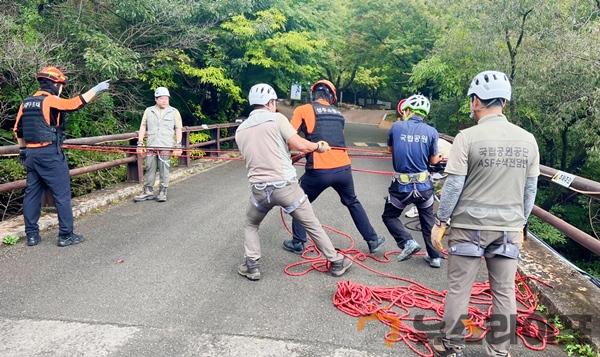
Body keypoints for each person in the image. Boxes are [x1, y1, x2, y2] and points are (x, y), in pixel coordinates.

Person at [431, 70, 539, 357]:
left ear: (477, 101)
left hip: (468, 226)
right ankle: (500, 351)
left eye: (472, 100)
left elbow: (453, 185)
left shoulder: (467, 137)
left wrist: (441, 221)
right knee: (504, 291)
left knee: (459, 289)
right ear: (504, 101)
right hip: (507, 230)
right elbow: (530, 191)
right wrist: (521, 223)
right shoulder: (528, 140)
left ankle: (451, 345)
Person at [235, 83, 353, 281]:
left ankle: (252, 265)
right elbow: (297, 143)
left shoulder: (240, 130)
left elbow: (258, 156)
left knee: (251, 224)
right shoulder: (277, 118)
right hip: (285, 187)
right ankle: (336, 261)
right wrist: (317, 146)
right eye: (275, 102)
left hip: (259, 192)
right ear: (270, 102)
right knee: (312, 224)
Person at [282, 79, 386, 255]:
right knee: (352, 201)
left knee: (298, 202)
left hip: (319, 170)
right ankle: (373, 240)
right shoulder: (339, 114)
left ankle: (298, 241)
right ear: (331, 96)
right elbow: (338, 138)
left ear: (314, 94)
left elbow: (289, 137)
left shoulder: (303, 110)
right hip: (343, 169)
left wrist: (290, 154)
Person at [13, 66, 110, 247]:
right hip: (49, 154)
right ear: (54, 84)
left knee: (32, 194)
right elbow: (73, 104)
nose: (61, 89)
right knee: (62, 194)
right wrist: (96, 89)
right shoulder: (49, 101)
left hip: (31, 154)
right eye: (61, 85)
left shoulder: (26, 102)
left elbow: (17, 129)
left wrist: (23, 151)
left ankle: (32, 235)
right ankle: (66, 235)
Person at [381, 94, 445, 267]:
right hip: (424, 187)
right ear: (424, 114)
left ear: (408, 110)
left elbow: (389, 150)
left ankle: (407, 242)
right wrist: (438, 157)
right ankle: (435, 257)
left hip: (401, 188)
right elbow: (433, 161)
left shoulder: (396, 126)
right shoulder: (432, 132)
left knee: (389, 216)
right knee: (427, 221)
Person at [134, 87, 183, 203]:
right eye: (161, 98)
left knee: (164, 169)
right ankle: (148, 192)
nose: (164, 101)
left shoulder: (174, 111)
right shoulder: (148, 110)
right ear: (156, 99)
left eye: (166, 98)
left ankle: (163, 191)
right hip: (151, 145)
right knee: (149, 168)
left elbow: (178, 128)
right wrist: (140, 143)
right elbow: (143, 126)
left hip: (166, 145)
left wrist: (178, 144)